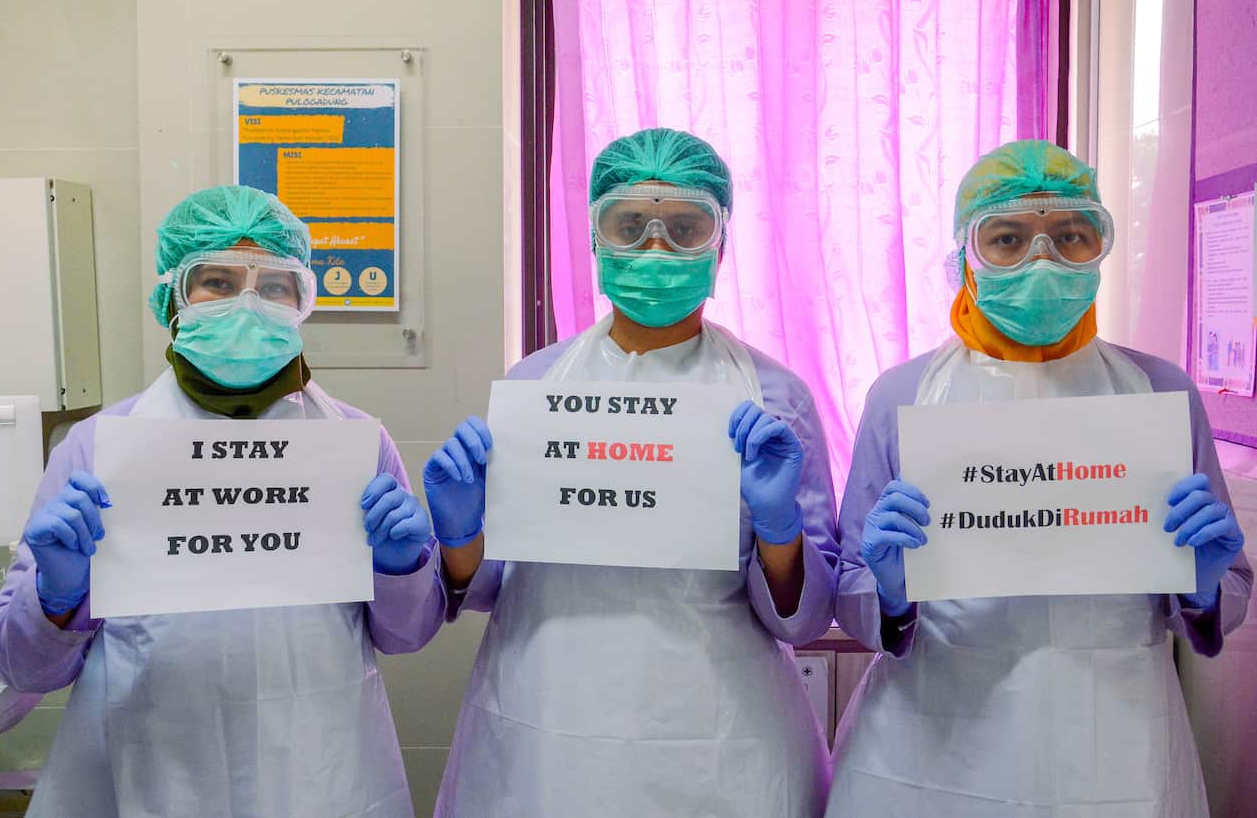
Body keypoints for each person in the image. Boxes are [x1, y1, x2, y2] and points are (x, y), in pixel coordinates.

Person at [0, 186, 445, 817]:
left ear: (301, 303)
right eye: (218, 283)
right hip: (149, 766)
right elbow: (24, 670)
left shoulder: (356, 444)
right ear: (172, 297)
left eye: (274, 286)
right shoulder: (95, 448)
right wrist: (56, 599)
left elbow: (408, 634)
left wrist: (402, 569)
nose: (246, 305)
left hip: (317, 764)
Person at [828, 140, 1253, 816]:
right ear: (965, 256)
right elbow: (851, 590)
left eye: (1071, 236)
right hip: (936, 741)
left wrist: (1203, 589)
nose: (1042, 260)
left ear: (1099, 250)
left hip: (1114, 741)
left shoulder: (1159, 392)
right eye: (1007, 238)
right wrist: (890, 594)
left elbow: (1225, 597)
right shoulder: (902, 396)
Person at [426, 128, 838, 817]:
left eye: (685, 227)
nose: (655, 248)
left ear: (720, 245)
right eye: (628, 226)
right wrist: (462, 535)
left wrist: (780, 530)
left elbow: (804, 620)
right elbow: (490, 585)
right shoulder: (536, 386)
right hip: (547, 717)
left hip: (718, 732)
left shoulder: (776, 398)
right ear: (595, 239)